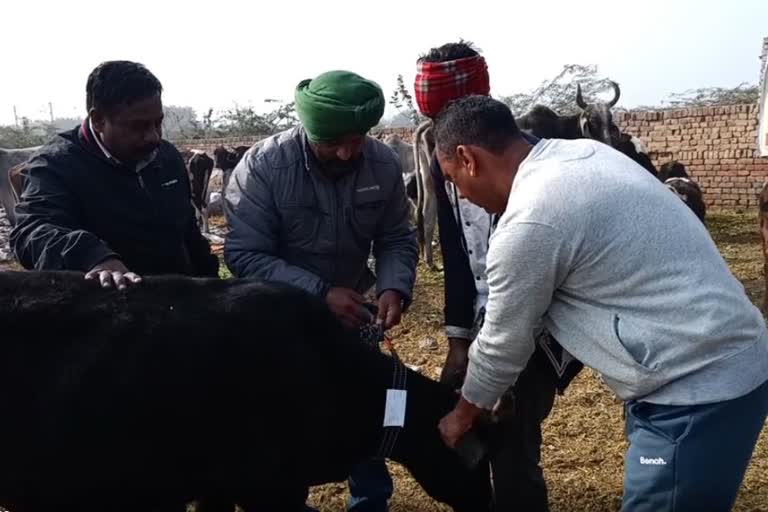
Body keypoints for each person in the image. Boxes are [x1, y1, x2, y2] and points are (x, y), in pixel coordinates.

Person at [435, 95, 768, 511]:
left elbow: (504, 341)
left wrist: (462, 415)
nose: (462, 197)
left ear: (468, 158)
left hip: (695, 391)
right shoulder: (583, 154)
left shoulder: (530, 220)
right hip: (718, 358)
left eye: (452, 180)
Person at [224, 70, 418, 512]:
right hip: (277, 321)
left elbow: (395, 237)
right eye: (333, 143)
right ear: (310, 130)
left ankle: (370, 501)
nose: (348, 152)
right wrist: (318, 293)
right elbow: (244, 254)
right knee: (284, 415)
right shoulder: (265, 168)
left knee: (362, 407)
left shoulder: (383, 164)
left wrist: (393, 286)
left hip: (354, 316)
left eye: (357, 139)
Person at [413, 41, 581, 511]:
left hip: (533, 319)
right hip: (484, 317)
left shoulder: (521, 157)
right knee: (475, 435)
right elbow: (455, 253)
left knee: (512, 441)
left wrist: (501, 367)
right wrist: (457, 341)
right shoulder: (440, 156)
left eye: (450, 112)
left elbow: (532, 286)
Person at [10, 60, 219, 287]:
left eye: (158, 123)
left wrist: (215, 287)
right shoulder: (55, 166)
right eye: (138, 126)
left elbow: (188, 234)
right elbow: (32, 232)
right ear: (98, 120)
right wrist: (92, 256)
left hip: (174, 298)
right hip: (106, 307)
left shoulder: (166, 157)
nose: (153, 137)